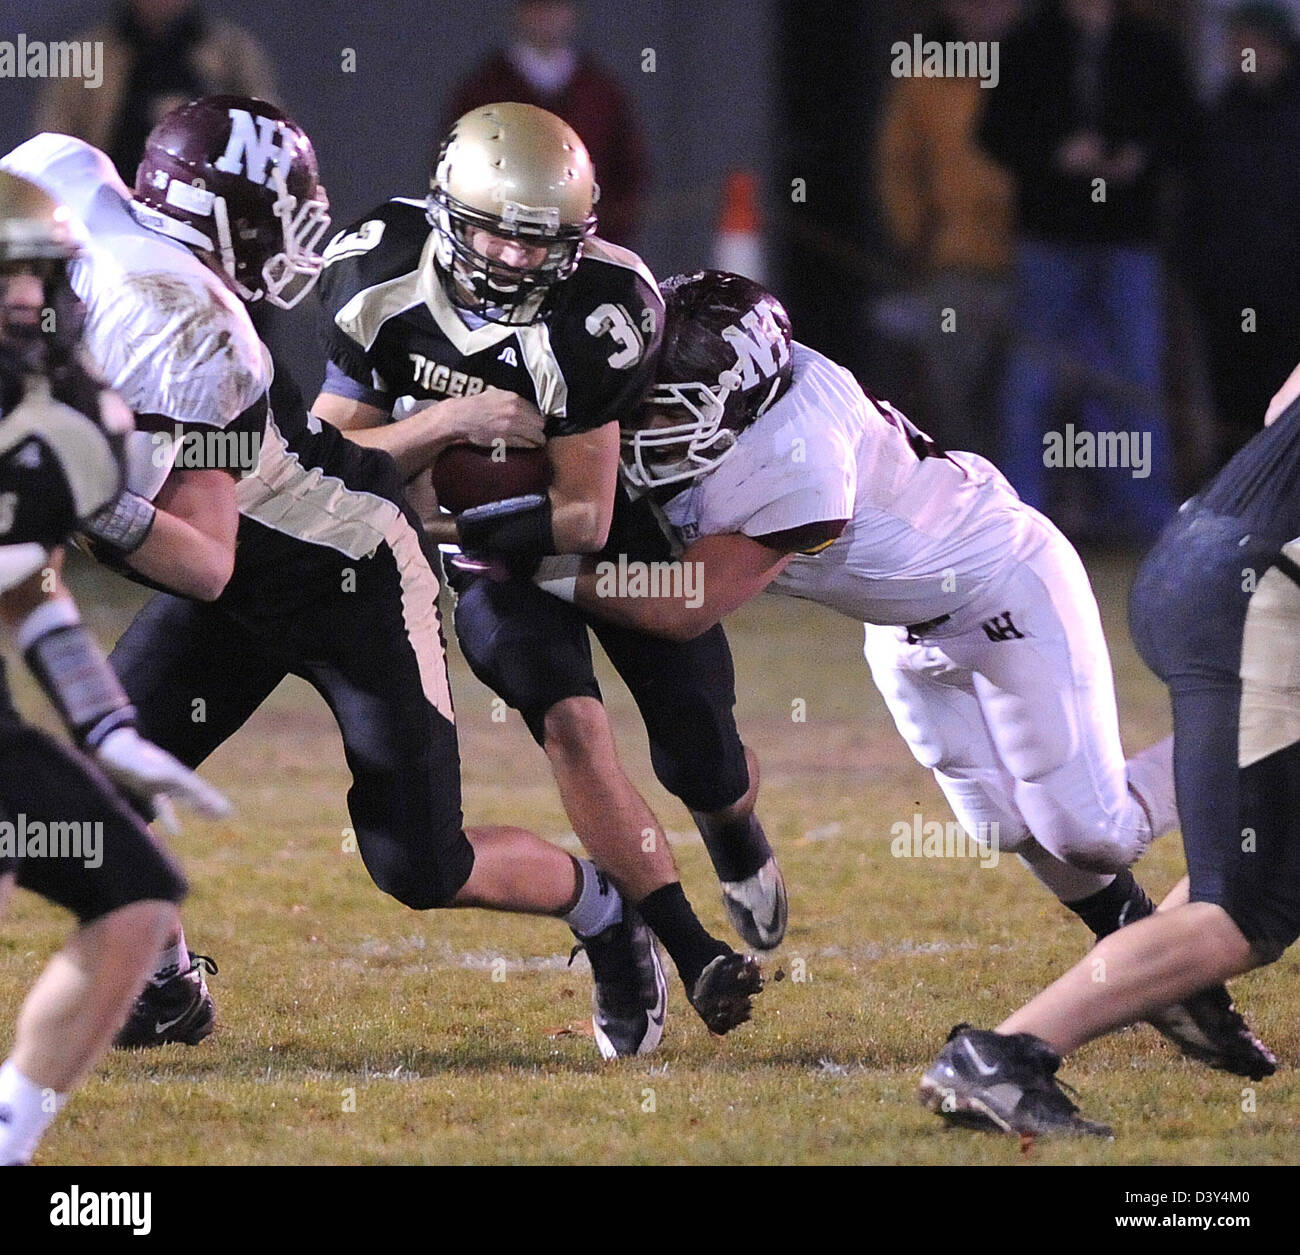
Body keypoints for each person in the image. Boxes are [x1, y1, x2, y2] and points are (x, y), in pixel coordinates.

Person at [4, 97, 661, 1063]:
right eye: (283, 211)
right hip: (237, 578)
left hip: (344, 565)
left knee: (419, 863)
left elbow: (202, 556)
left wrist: (81, 490)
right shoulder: (63, 196)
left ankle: (605, 912)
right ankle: (165, 984)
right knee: (105, 777)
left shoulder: (199, 332)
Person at [530, 268, 1275, 1081]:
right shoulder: (748, 392)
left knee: (1092, 830)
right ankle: (1147, 956)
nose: (636, 426)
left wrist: (540, 562)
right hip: (906, 631)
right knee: (1002, 824)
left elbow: (684, 604)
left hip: (1005, 591)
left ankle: (1260, 747)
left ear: (734, 401)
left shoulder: (795, 454)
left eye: (658, 409)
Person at [314, 102, 768, 1053]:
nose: (521, 261)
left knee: (702, 754)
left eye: (544, 242)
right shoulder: (378, 272)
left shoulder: (602, 308)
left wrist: (443, 509)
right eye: (498, 235)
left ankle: (733, 832)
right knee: (573, 726)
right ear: (447, 213)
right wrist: (444, 430)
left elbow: (582, 515)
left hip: (596, 533)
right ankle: (690, 951)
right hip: (486, 554)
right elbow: (334, 459)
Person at [919, 355, 1300, 1137]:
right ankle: (1006, 1054)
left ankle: (1166, 975)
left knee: (1269, 860)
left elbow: (1282, 402)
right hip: (1258, 599)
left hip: (1201, 548)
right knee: (1248, 907)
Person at [0, 170, 227, 1164]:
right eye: (2, 278)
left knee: (135, 897)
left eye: (37, 276)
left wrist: (109, 729)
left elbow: (25, 583)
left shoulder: (56, 413)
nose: (24, 302)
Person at [979, 0, 1190, 541]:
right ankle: (1018, 519)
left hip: (1127, 239)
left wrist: (1139, 158)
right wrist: (1055, 154)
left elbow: (1186, 130)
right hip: (1050, 236)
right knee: (1031, 378)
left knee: (1135, 380)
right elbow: (993, 132)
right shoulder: (1031, 41)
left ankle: (1145, 518)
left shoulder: (1150, 44)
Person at [875, 0, 1022, 458]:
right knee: (954, 397)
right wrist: (917, 235)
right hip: (956, 264)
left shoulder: (1040, 66)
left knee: (1029, 401)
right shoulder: (927, 76)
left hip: (1038, 264)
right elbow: (898, 164)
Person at [1182, 0, 1300, 469]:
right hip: (1228, 290)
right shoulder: (1222, 113)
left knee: (1285, 411)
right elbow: (1200, 199)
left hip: (1287, 292)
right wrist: (1198, 267)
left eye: (1249, 42)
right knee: (1233, 405)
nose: (1240, 52)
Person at [444, 0, 648, 246]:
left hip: (583, 249)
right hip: (501, 250)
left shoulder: (600, 92)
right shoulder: (484, 90)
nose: (548, 19)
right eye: (538, 8)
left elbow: (627, 174)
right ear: (519, 13)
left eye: (556, 8)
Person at [33, 0, 278, 186]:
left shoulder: (231, 52)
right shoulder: (89, 55)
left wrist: (198, 124)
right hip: (112, 198)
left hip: (211, 205)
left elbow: (266, 134)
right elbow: (54, 144)